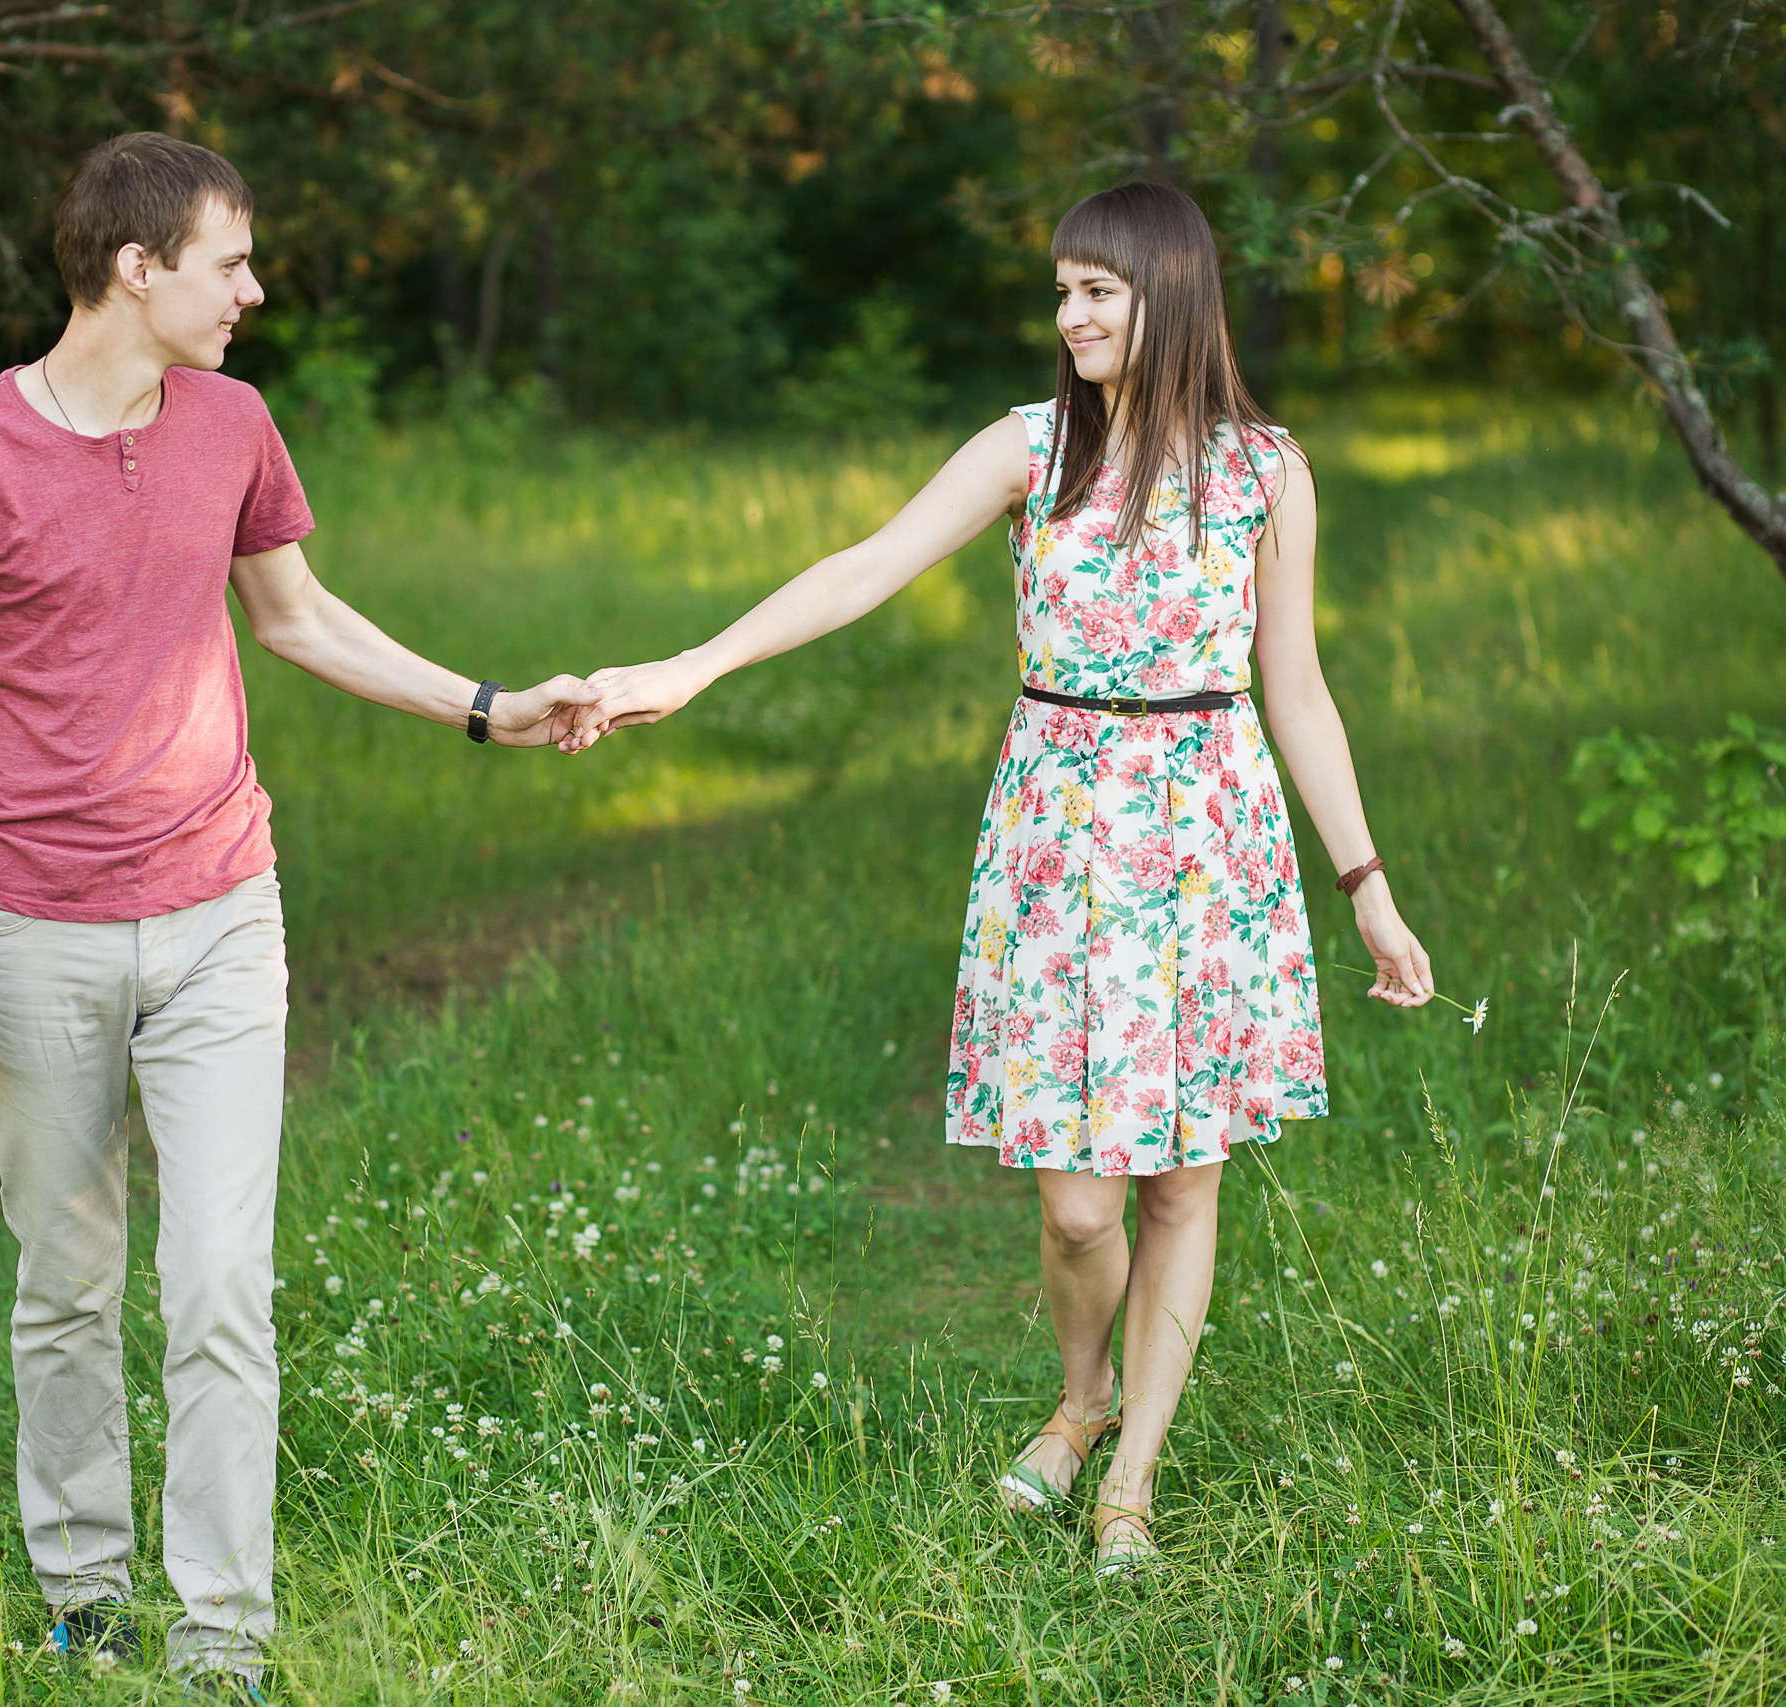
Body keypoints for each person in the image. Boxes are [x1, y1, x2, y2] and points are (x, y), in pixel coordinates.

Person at [564, 181, 1434, 1574]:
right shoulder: (1032, 448)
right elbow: (862, 569)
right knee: (1079, 1201)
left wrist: (1366, 885)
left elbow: (1300, 689)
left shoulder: (1268, 473)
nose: (1068, 314)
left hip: (1209, 846)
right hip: (1058, 843)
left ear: (1169, 294)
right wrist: (694, 666)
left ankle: (1132, 1476)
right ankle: (1082, 1400)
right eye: (1062, 290)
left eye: (1097, 290)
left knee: (1181, 1183)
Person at [0, 132, 592, 1696]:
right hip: (30, 927)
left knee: (218, 1292)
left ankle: (222, 1643)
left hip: (219, 912)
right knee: (67, 1285)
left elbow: (297, 617)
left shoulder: (233, 422)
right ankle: (85, 1600)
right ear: (137, 270)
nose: (253, 291)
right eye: (231, 263)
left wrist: (489, 707)